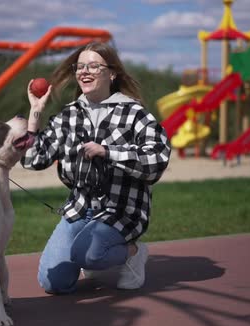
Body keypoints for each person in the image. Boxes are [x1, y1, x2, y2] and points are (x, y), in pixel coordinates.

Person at [22, 42, 171, 294]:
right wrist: (35, 114)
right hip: (80, 209)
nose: (84, 71)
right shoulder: (68, 115)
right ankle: (89, 252)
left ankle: (133, 252)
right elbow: (33, 159)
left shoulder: (134, 113)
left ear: (111, 73)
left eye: (93, 65)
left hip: (121, 209)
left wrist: (108, 152)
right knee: (53, 284)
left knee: (89, 254)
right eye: (80, 66)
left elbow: (157, 159)